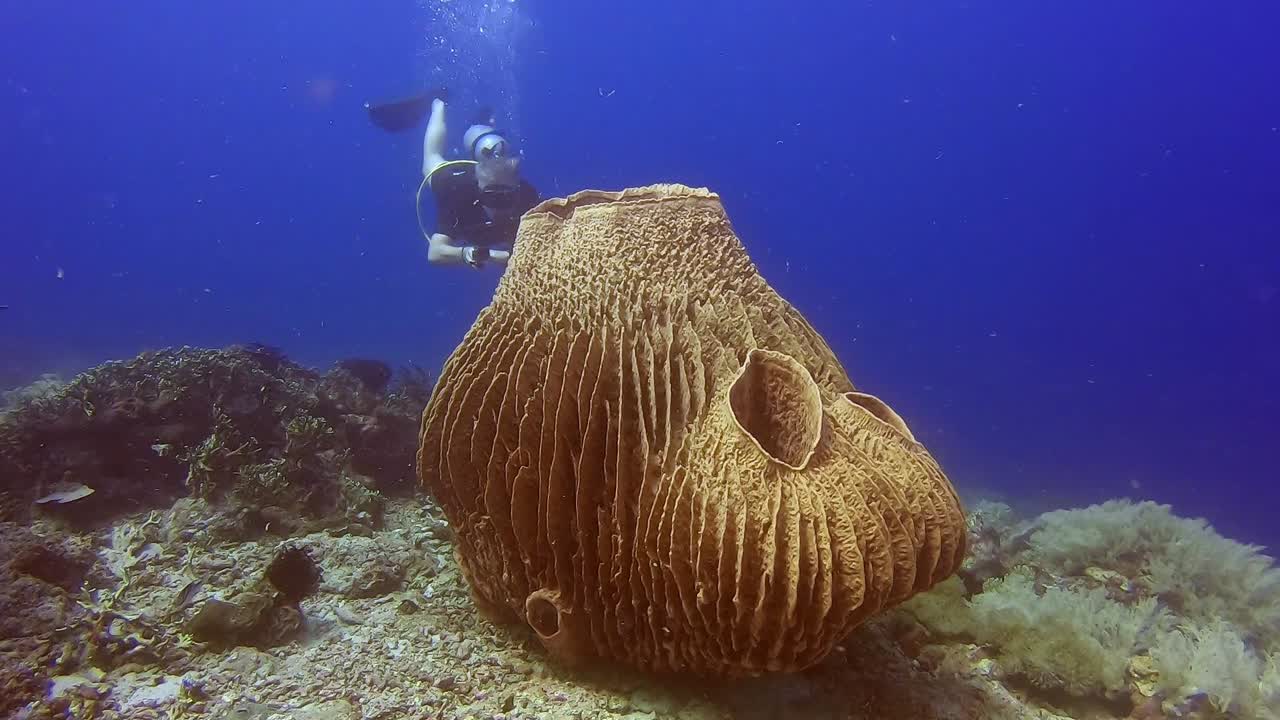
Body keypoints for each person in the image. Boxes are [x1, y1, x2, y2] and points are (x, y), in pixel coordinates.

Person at [366, 91, 539, 269]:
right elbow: (435, 252)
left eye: (506, 199)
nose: (499, 206)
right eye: (493, 198)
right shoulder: (458, 193)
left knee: (492, 144)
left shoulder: (526, 196)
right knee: (430, 161)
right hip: (453, 179)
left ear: (516, 189)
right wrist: (467, 254)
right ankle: (438, 103)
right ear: (478, 189)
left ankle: (483, 129)